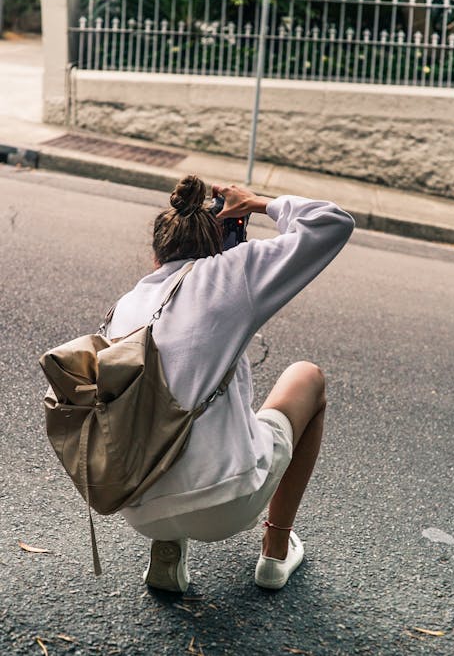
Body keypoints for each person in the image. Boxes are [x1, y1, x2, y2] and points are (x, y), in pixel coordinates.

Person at [106, 175, 354, 591]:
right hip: (226, 503)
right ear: (220, 246)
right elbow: (331, 222)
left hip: (137, 505)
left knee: (165, 400)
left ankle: (167, 551)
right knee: (306, 376)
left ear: (155, 256)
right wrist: (257, 203)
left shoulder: (127, 305)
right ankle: (275, 552)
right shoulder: (229, 273)